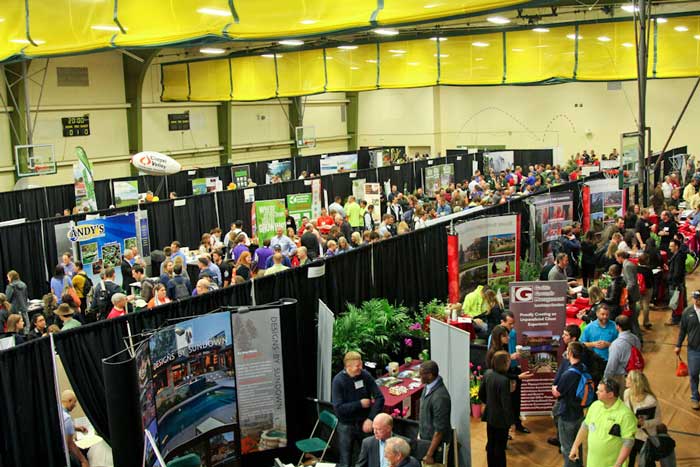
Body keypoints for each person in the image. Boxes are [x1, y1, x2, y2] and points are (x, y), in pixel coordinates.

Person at [332, 351, 385, 467]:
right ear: (348, 367)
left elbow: (380, 398)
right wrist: (359, 404)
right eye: (357, 366)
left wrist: (371, 419)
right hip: (346, 425)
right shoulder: (338, 381)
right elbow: (338, 409)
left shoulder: (365, 375)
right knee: (345, 460)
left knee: (370, 457)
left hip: (364, 423)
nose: (361, 368)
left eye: (361, 364)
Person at [569, 378, 637, 467]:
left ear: (610, 394)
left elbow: (628, 442)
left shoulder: (625, 415)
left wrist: (618, 464)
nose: (596, 392)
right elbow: (585, 426)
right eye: (597, 390)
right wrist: (575, 446)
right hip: (592, 463)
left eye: (600, 391)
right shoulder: (595, 406)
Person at [552, 342, 588, 467]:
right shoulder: (583, 367)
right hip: (579, 413)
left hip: (567, 415)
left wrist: (554, 388)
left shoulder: (568, 374)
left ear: (571, 353)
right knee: (577, 445)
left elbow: (557, 392)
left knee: (567, 449)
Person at [479, 350, 513, 467]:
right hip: (501, 420)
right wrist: (511, 422)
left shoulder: (488, 373)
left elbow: (481, 394)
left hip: (490, 415)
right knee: (500, 448)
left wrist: (489, 404)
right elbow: (506, 405)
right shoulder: (504, 381)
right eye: (508, 361)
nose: (510, 363)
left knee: (491, 444)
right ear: (503, 363)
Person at [623, 370, 662, 466]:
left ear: (635, 382)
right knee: (628, 462)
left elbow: (658, 420)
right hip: (630, 435)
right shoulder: (627, 393)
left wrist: (644, 423)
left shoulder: (650, 400)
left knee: (647, 463)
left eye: (628, 378)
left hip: (644, 437)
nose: (626, 379)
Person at [418, 360, 452, 467]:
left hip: (435, 448)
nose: (419, 376)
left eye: (421, 374)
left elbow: (439, 431)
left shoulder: (440, 398)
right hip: (426, 440)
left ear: (430, 375)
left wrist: (429, 454)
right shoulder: (428, 387)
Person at [675, 290, 700, 410]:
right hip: (694, 349)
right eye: (696, 298)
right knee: (694, 373)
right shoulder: (687, 312)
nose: (698, 301)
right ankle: (695, 397)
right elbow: (682, 330)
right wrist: (678, 345)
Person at [605, 316, 642, 389]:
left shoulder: (616, 344)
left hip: (622, 378)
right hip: (634, 374)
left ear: (618, 326)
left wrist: (605, 380)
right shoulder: (635, 338)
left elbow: (611, 366)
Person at [61, 390, 90, 467]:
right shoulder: (67, 418)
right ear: (69, 401)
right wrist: (83, 460)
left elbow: (62, 426)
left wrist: (76, 428)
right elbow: (70, 444)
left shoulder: (57, 410)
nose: (75, 405)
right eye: (74, 402)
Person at [667, 238, 687, 325]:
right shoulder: (677, 255)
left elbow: (677, 272)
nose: (669, 248)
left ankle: (676, 319)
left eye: (671, 246)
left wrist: (673, 281)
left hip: (676, 283)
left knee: (675, 301)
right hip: (677, 282)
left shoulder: (678, 257)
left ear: (676, 247)